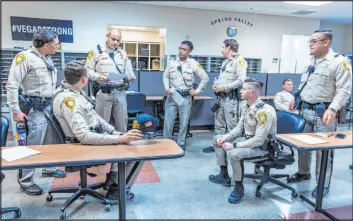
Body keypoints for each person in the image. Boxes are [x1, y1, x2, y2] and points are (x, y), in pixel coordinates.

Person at [53, 60, 144, 202]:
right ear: (84, 79)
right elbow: (84, 136)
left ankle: (115, 183)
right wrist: (119, 140)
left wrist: (115, 132)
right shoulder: (70, 101)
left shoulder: (76, 92)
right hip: (81, 146)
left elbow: (95, 117)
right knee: (137, 152)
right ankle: (117, 192)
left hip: (92, 136)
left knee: (128, 142)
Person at [288, 29, 352, 198]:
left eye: (314, 41)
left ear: (326, 42)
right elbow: (307, 84)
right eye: (310, 41)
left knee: (323, 152)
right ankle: (303, 172)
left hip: (324, 115)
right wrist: (297, 96)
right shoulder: (313, 61)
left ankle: (322, 183)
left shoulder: (339, 62)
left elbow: (344, 90)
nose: (310, 44)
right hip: (305, 111)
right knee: (303, 146)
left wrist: (333, 108)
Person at [5, 28, 66, 196]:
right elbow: (12, 84)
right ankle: (26, 181)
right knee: (30, 147)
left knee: (49, 142)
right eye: (55, 44)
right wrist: (15, 110)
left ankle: (48, 168)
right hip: (33, 109)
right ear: (45, 44)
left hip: (48, 107)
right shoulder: (24, 58)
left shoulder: (46, 58)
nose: (57, 46)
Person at [209, 78, 277, 203]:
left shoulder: (264, 111)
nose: (240, 91)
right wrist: (225, 138)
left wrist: (234, 145)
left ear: (251, 93)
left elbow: (259, 140)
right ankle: (224, 174)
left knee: (235, 153)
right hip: (248, 141)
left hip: (262, 149)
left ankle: (238, 187)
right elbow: (239, 128)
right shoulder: (247, 106)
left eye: (243, 89)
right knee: (216, 139)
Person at [86, 27, 135, 132]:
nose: (115, 42)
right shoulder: (95, 52)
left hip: (120, 93)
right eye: (113, 39)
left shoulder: (122, 54)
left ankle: (122, 147)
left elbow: (128, 72)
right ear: (107, 36)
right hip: (104, 93)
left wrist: (130, 77)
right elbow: (87, 70)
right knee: (102, 126)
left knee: (122, 125)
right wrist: (97, 77)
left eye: (118, 40)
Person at [162, 40, 209, 150]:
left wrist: (197, 91)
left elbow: (205, 78)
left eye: (184, 49)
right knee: (168, 122)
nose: (181, 51)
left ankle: (181, 143)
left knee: (183, 123)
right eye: (180, 48)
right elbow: (165, 76)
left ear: (189, 51)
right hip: (172, 96)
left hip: (185, 97)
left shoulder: (194, 64)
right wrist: (166, 88)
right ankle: (166, 142)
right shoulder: (172, 62)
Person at [203, 39, 247, 153]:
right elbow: (223, 78)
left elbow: (241, 80)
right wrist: (217, 85)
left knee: (233, 126)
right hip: (221, 98)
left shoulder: (239, 61)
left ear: (228, 48)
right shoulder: (226, 61)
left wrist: (225, 88)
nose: (221, 49)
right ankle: (217, 145)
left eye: (223, 47)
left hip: (232, 100)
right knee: (219, 124)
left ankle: (233, 148)